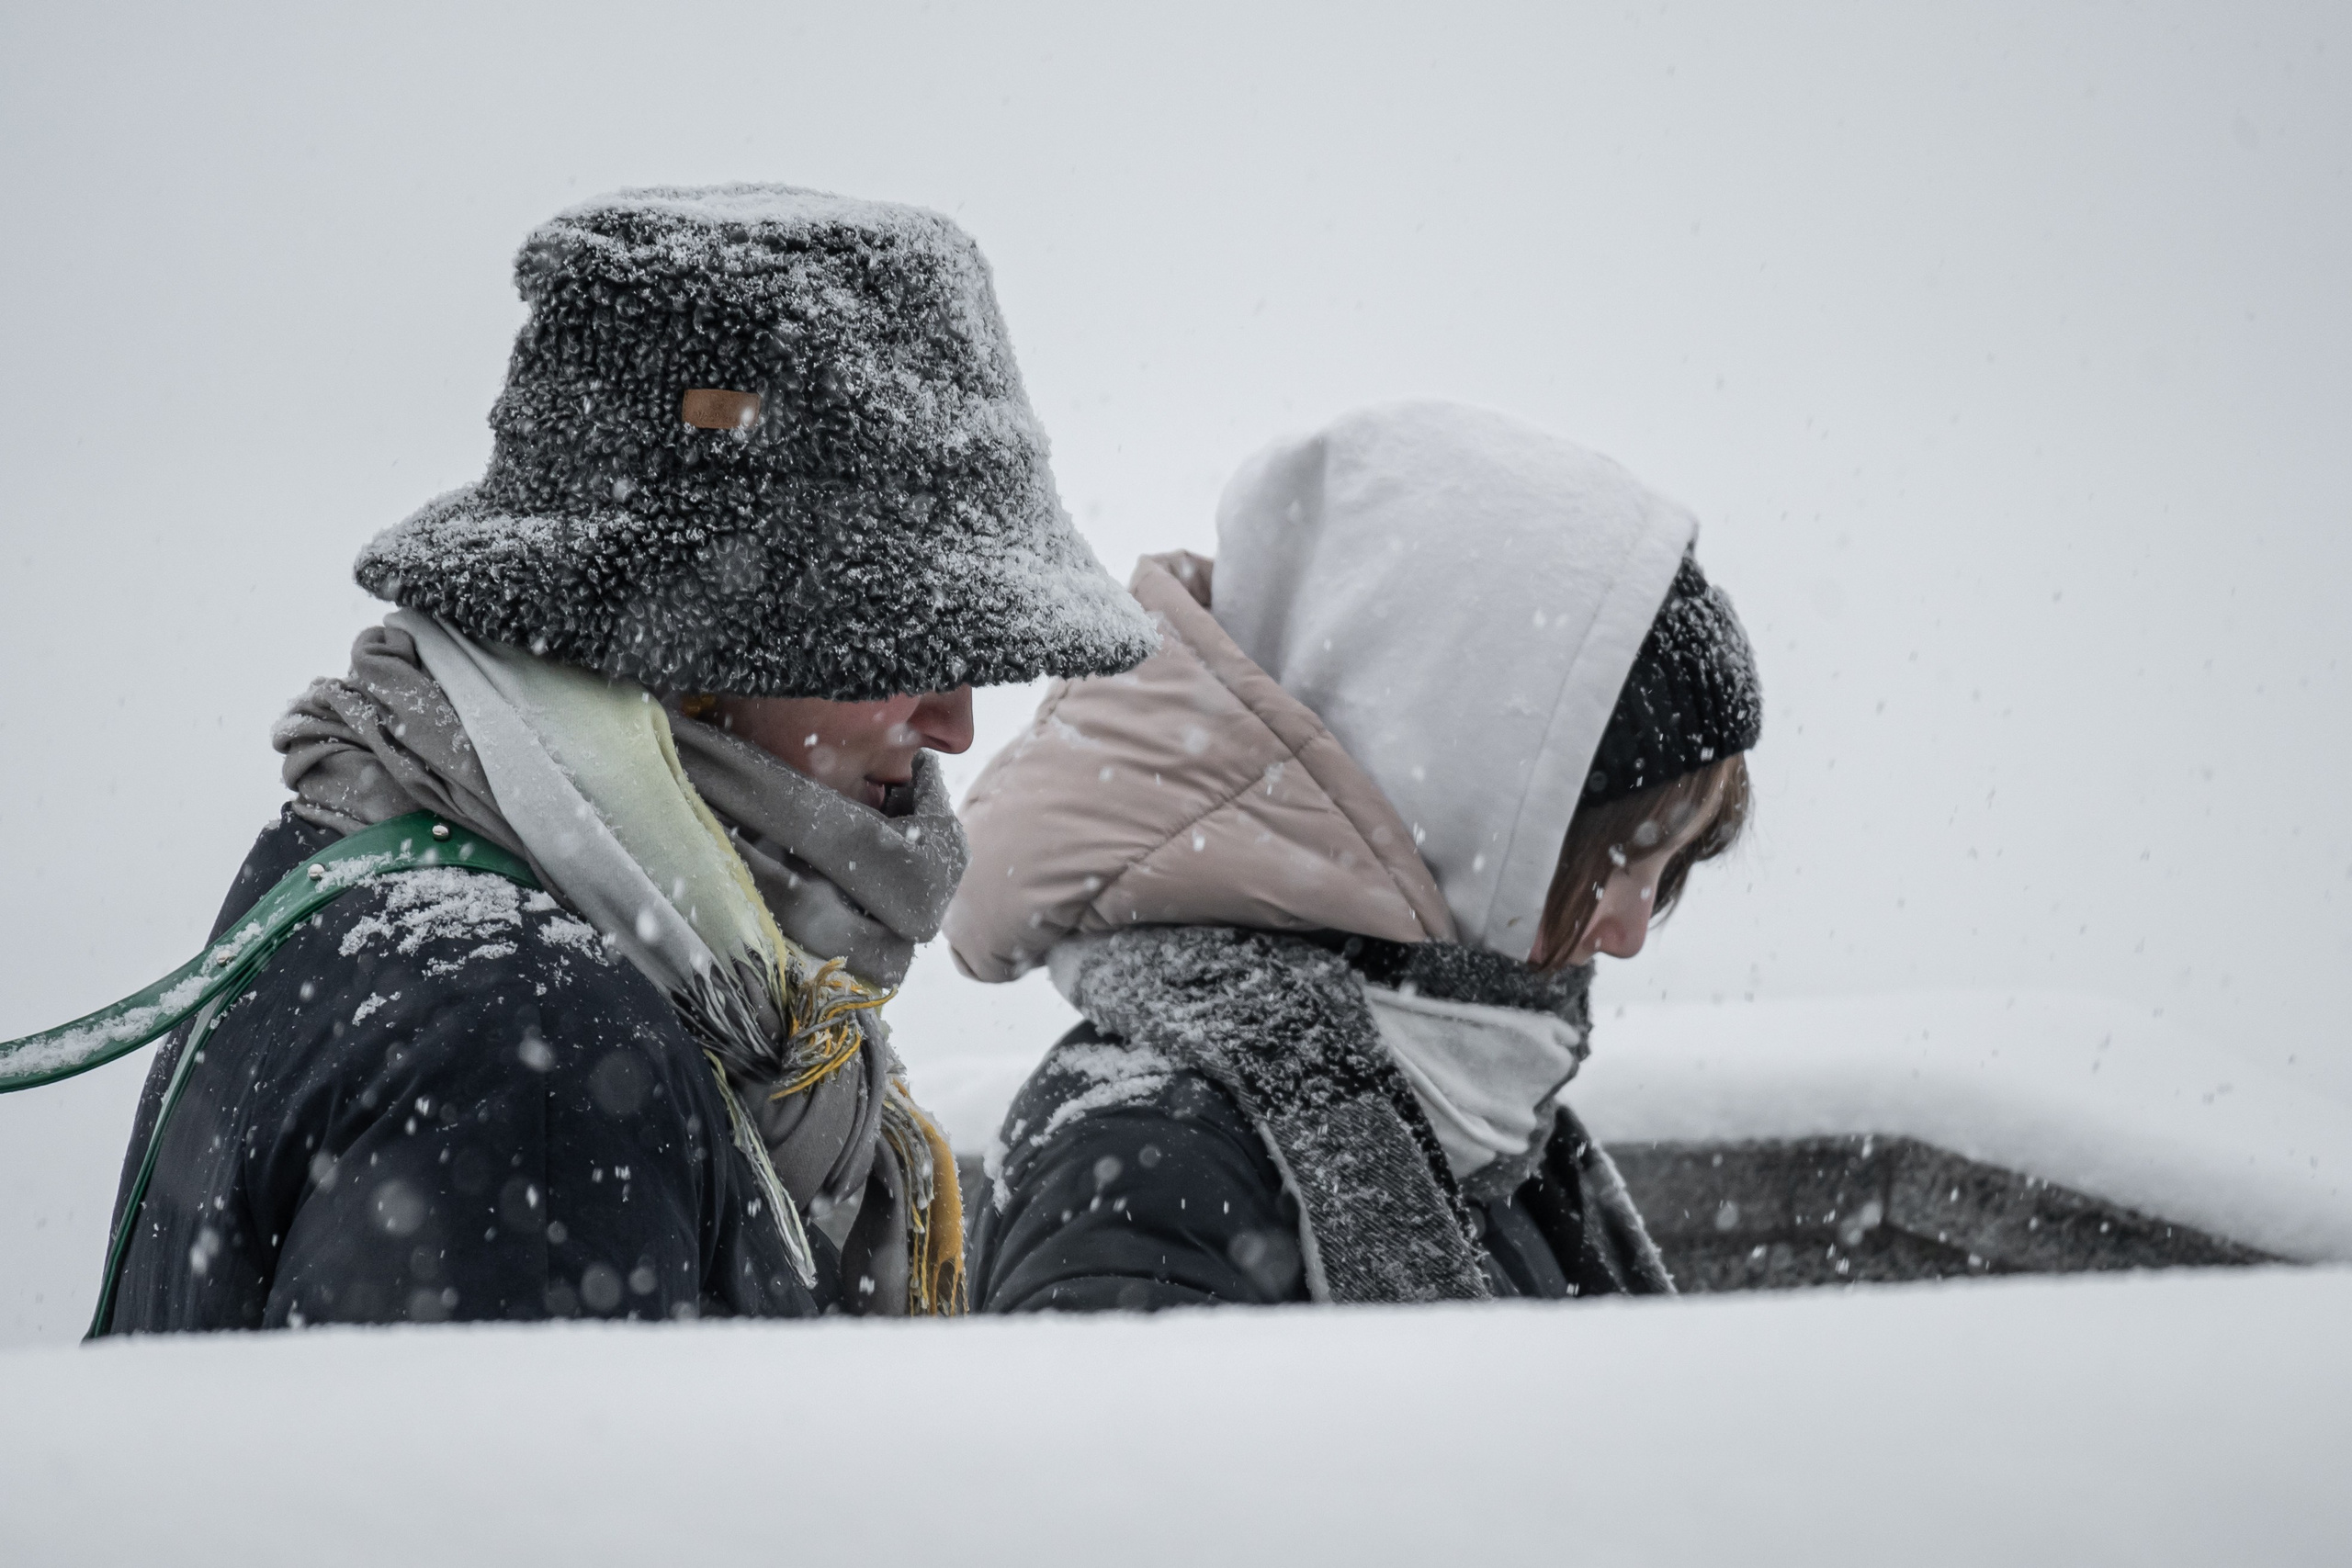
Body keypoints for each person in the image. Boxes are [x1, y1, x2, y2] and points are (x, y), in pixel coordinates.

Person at [82, 185, 1154, 1332]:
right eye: (901, 643)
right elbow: (526, 1516)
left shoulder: (398, 900)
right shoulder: (522, 1053)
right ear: (677, 651)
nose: (954, 723)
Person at [948, 400, 1761, 1309]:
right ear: (1465, 803)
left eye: (1668, 877)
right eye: (1616, 863)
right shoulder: (1144, 1157)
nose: (1630, 933)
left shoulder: (1490, 1119)